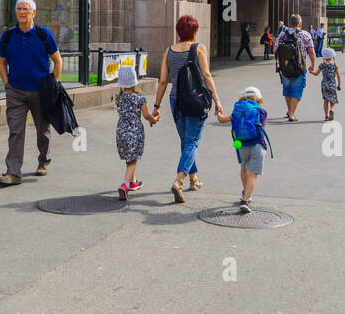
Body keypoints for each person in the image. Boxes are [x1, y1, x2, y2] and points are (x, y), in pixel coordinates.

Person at [154, 14, 224, 203]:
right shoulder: (199, 48)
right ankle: (179, 180)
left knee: (186, 141)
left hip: (175, 100)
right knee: (192, 141)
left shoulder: (168, 51)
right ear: (194, 31)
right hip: (195, 100)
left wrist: (156, 106)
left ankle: (194, 180)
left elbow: (162, 81)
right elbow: (207, 76)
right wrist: (217, 101)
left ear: (178, 31)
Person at [0, 0, 63, 186]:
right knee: (15, 131)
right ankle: (13, 172)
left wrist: (53, 84)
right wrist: (7, 85)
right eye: (19, 9)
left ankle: (44, 161)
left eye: (26, 9)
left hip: (40, 91)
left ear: (34, 12)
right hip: (16, 91)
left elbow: (58, 61)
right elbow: (1, 63)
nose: (22, 12)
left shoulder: (44, 34)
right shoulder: (8, 36)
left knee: (43, 130)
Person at [220, 86, 270, 214]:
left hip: (242, 145)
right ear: (258, 99)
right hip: (257, 146)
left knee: (244, 169)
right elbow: (262, 127)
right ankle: (245, 200)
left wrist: (219, 113)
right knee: (252, 174)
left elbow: (222, 120)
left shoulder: (236, 111)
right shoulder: (261, 111)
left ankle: (245, 192)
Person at [115, 65, 159, 200]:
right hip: (135, 131)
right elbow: (146, 115)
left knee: (129, 156)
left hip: (121, 130)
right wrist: (154, 119)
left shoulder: (118, 97)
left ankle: (133, 182)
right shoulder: (140, 98)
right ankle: (125, 185)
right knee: (133, 159)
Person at [274, 13, 316, 121]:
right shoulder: (305, 35)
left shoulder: (283, 34)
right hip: (299, 67)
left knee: (287, 90)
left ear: (290, 23)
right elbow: (311, 52)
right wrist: (312, 65)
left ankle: (290, 111)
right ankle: (292, 114)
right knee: (296, 91)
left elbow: (275, 50)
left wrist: (282, 60)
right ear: (300, 24)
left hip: (285, 68)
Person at [318, 46, 341, 121]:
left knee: (325, 100)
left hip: (324, 84)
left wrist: (311, 71)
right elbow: (338, 76)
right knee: (332, 99)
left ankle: (326, 115)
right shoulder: (334, 65)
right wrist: (339, 85)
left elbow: (316, 73)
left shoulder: (322, 65)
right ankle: (331, 109)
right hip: (332, 84)